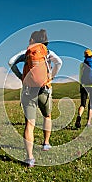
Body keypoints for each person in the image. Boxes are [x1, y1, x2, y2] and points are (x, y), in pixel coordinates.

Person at [8, 29, 62, 167]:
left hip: (28, 91)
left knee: (29, 124)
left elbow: (10, 62)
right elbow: (59, 62)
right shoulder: (48, 52)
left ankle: (30, 158)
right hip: (45, 89)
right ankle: (46, 143)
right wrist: (51, 76)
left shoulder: (26, 52)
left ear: (32, 40)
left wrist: (21, 76)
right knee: (47, 116)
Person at [75, 49, 92, 128]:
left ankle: (79, 117)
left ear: (85, 56)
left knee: (82, 104)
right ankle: (88, 123)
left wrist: (81, 85)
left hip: (84, 86)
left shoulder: (82, 64)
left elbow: (80, 76)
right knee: (91, 105)